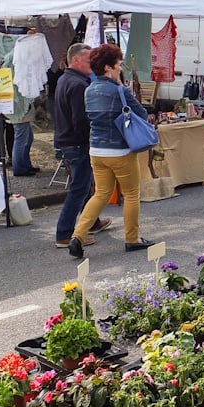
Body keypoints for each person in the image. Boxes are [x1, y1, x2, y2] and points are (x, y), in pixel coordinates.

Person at [67, 43, 154, 258]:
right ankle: (132, 239)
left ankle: (77, 236)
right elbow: (141, 114)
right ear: (107, 67)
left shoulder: (89, 90)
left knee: (101, 194)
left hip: (96, 150)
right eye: (117, 65)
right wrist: (122, 87)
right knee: (132, 194)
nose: (119, 68)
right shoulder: (119, 90)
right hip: (120, 151)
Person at [52, 43, 111, 249]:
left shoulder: (66, 79)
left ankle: (92, 222)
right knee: (80, 188)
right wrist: (91, 139)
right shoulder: (78, 85)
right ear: (76, 60)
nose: (92, 65)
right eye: (88, 60)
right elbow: (81, 121)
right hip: (76, 143)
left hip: (67, 140)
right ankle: (64, 233)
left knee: (84, 185)